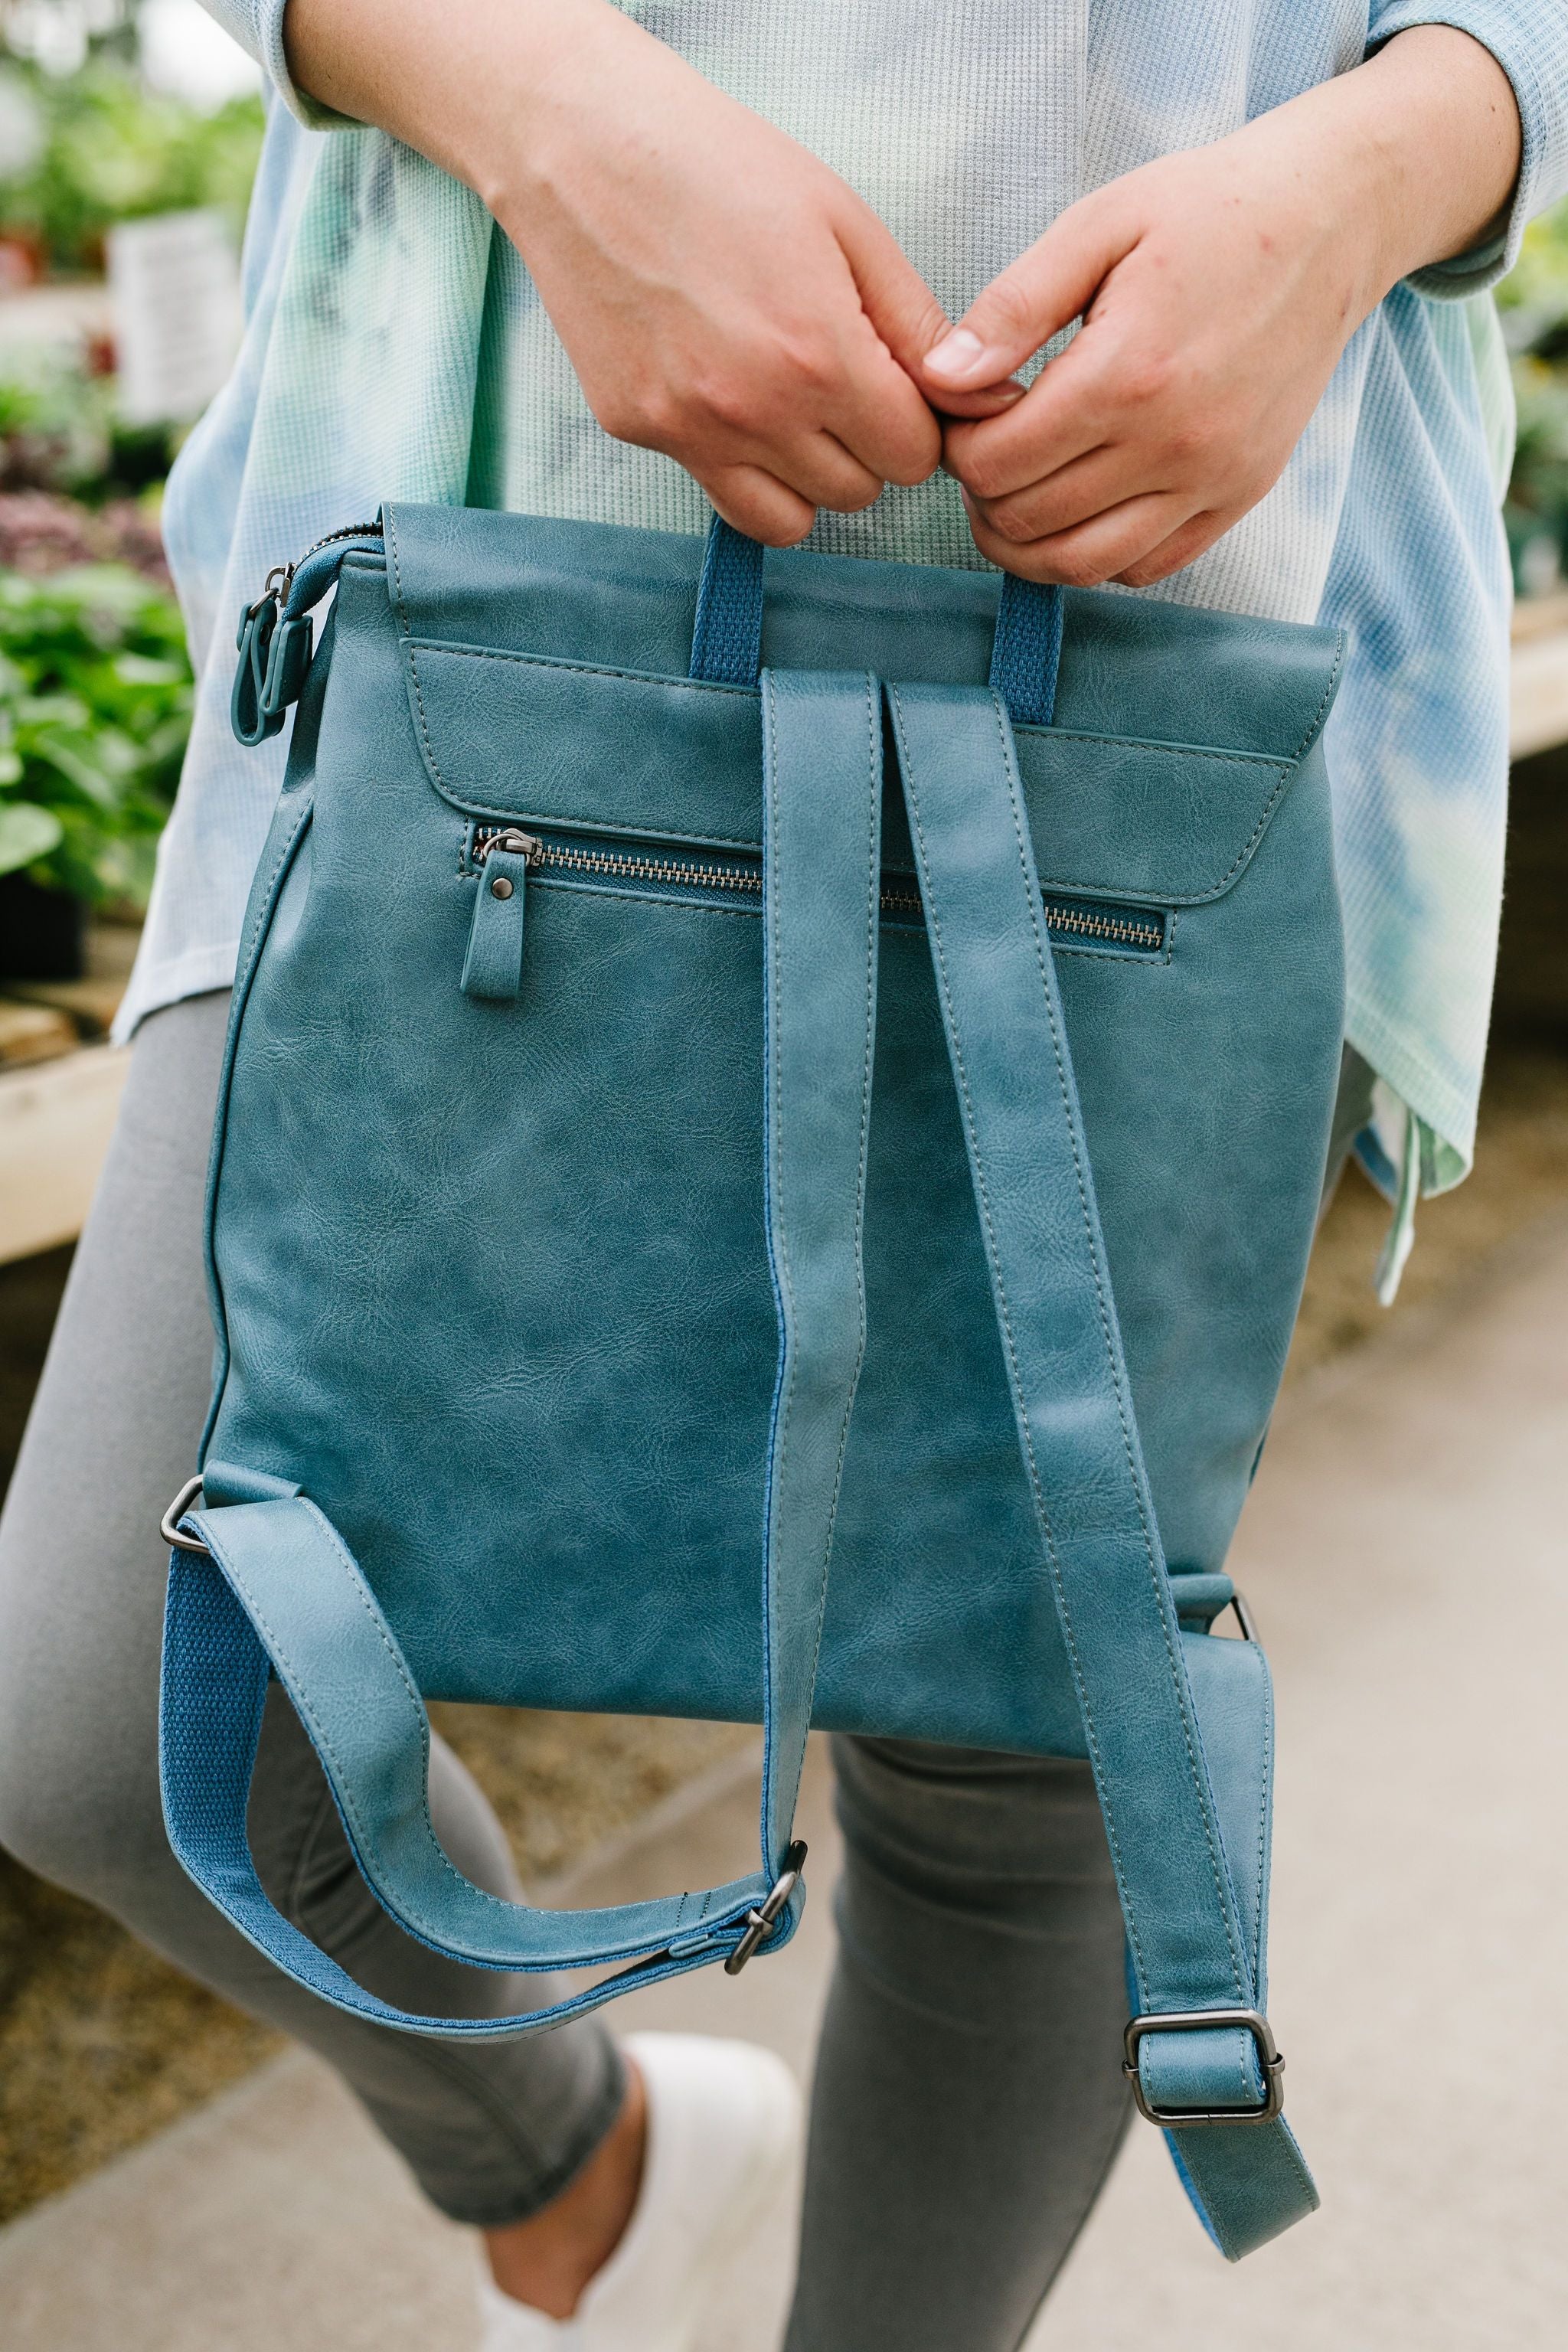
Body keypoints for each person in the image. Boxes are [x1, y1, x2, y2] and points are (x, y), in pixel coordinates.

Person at [0, 5, 1561, 2347]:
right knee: (120, 1703)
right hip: (464, 612)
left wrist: (1362, 179)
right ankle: (582, 2166)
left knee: (1017, 1750)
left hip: (1155, 636)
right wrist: (543, 103)